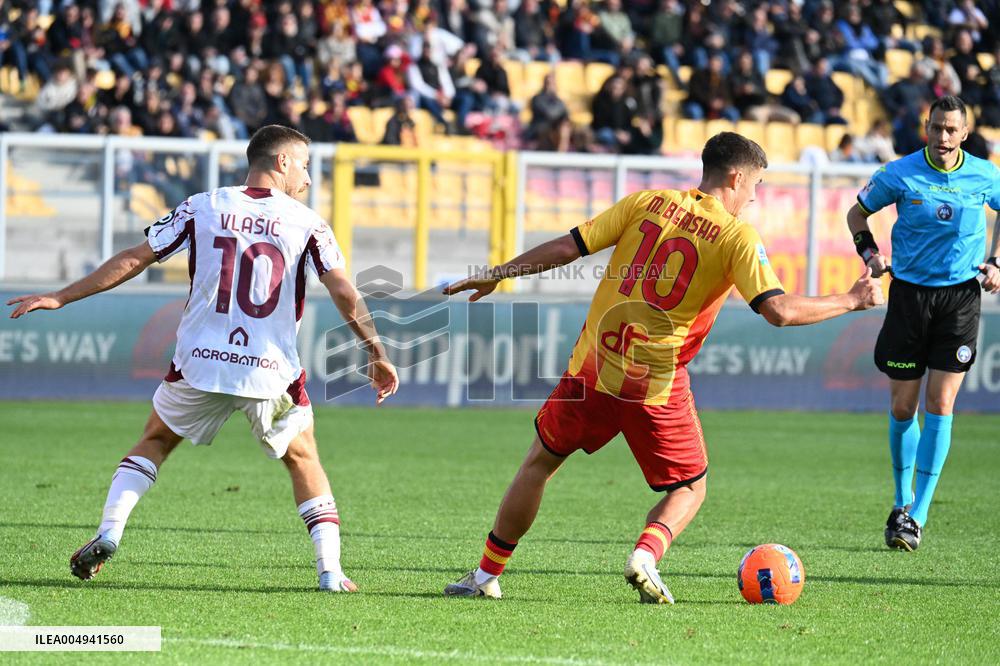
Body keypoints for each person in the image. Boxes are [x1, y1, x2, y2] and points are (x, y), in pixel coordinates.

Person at [441, 132, 884, 603]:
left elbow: (568, 248)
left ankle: (487, 575)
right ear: (736, 177)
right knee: (691, 487)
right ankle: (646, 555)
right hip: (654, 379)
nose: (753, 197)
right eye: (754, 186)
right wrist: (851, 299)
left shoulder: (644, 202)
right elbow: (779, 311)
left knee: (540, 462)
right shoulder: (736, 236)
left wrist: (497, 273)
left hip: (592, 366)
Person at [7, 125, 400, 592]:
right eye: (305, 165)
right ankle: (330, 572)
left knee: (154, 440)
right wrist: (376, 351)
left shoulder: (203, 206)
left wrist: (62, 296)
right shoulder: (308, 224)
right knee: (302, 457)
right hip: (269, 370)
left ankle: (110, 531)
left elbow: (136, 258)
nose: (309, 178)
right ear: (281, 164)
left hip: (200, 361)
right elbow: (342, 289)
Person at [845, 96, 1000, 552]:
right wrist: (870, 254)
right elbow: (857, 213)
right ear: (926, 128)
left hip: (960, 299)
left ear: (965, 133)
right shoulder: (900, 173)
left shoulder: (985, 174)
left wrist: (995, 260)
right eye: (936, 128)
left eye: (952, 130)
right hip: (909, 296)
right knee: (901, 407)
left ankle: (917, 516)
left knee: (941, 403)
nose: (943, 137)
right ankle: (900, 499)